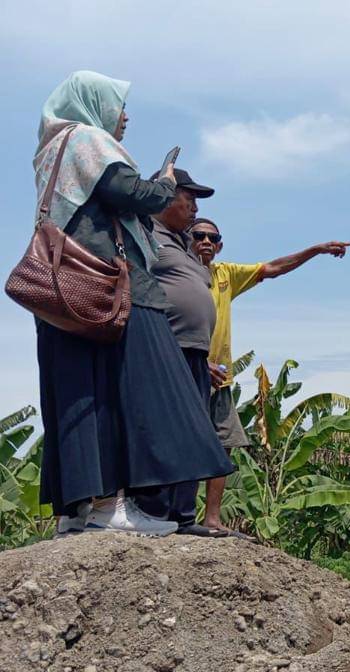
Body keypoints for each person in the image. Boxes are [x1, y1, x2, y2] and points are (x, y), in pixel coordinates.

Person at [31, 71, 233, 537]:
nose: (125, 117)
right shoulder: (87, 141)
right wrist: (162, 181)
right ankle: (110, 508)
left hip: (66, 293)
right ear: (93, 104)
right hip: (105, 286)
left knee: (82, 396)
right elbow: (134, 194)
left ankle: (79, 511)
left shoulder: (51, 152)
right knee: (136, 395)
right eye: (118, 106)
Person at [189, 217, 350, 532]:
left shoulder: (226, 275)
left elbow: (273, 268)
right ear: (187, 239)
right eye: (199, 235)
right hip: (186, 373)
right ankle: (175, 515)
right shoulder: (176, 274)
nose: (206, 242)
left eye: (213, 237)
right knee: (182, 443)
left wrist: (316, 250)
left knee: (224, 444)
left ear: (220, 245)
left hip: (221, 379)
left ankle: (211, 518)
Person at [144, 168, 227, 536]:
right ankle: (157, 512)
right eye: (187, 198)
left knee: (192, 432)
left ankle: (181, 516)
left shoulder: (181, 244)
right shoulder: (145, 233)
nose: (193, 208)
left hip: (195, 353)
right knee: (166, 430)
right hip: (166, 347)